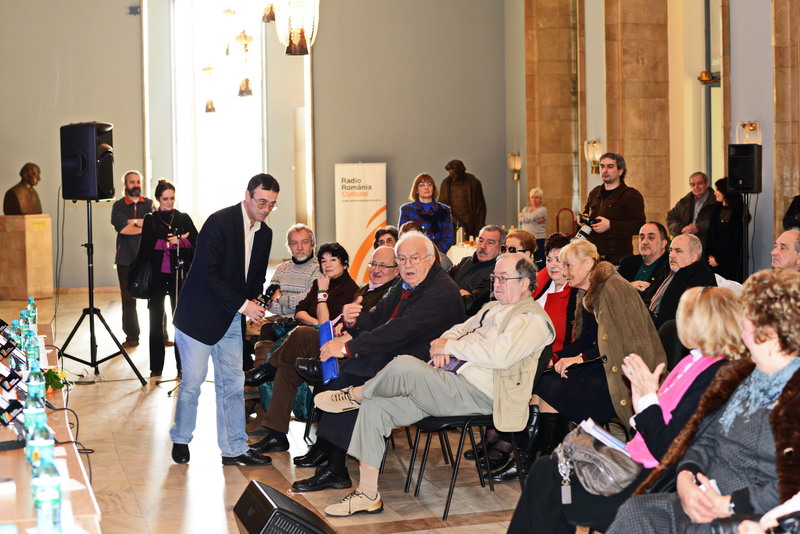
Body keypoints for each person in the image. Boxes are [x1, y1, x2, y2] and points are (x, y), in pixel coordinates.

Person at [313, 253, 555, 517]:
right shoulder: (492, 308)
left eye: (503, 278)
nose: (496, 283)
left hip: (480, 394)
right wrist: (443, 346)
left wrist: (450, 347)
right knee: (377, 406)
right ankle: (367, 495)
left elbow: (499, 355)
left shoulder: (532, 320)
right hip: (449, 383)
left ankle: (356, 395)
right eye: (495, 277)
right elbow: (456, 330)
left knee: (403, 364)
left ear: (524, 283)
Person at [508, 285, 746, 533]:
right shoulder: (698, 362)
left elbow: (669, 448)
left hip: (653, 483)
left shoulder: (715, 377)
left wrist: (647, 400)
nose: (680, 323)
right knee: (550, 470)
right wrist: (643, 398)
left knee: (549, 479)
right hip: (642, 464)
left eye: (684, 315)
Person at [607, 269, 800, 534]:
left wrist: (729, 504)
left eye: (746, 326)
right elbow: (706, 438)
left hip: (750, 514)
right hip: (705, 493)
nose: (742, 336)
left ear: (769, 335)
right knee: (634, 512)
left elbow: (790, 486)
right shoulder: (743, 377)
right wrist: (686, 476)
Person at [288, 232, 465, 493]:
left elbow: (400, 330)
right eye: (401, 259)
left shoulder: (441, 292)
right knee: (342, 373)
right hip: (400, 352)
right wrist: (352, 321)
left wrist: (348, 348)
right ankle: (329, 455)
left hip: (427, 366)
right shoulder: (407, 282)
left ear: (430, 259)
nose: (407, 265)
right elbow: (376, 316)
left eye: (414, 258)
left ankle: (334, 466)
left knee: (347, 373)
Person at [169, 173, 279, 467]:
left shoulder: (265, 233)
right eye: (262, 202)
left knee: (232, 383)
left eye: (272, 204)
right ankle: (181, 438)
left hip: (231, 317)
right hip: (198, 317)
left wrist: (258, 300)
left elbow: (255, 277)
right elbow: (206, 273)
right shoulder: (219, 222)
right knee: (192, 383)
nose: (266, 209)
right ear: (247, 195)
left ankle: (234, 449)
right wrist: (244, 305)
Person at [248, 246, 399, 455]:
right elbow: (302, 311)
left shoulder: (379, 293)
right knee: (287, 369)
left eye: (383, 265)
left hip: (352, 353)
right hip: (333, 343)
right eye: (373, 264)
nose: (376, 269)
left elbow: (331, 323)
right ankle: (277, 435)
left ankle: (265, 371)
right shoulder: (363, 290)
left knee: (301, 333)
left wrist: (324, 302)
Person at [538, 239, 666, 433]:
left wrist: (580, 358)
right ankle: (544, 448)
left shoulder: (614, 288)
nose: (564, 272)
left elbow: (624, 343)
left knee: (551, 385)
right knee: (543, 379)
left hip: (620, 373)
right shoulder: (589, 292)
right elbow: (586, 340)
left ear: (588, 263)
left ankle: (550, 448)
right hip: (602, 364)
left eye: (568, 265)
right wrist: (555, 358)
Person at [129, 179, 197, 378]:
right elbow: (147, 246)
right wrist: (169, 244)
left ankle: (182, 367)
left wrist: (181, 241)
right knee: (155, 322)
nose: (169, 202)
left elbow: (197, 240)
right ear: (158, 199)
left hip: (179, 277)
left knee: (181, 323)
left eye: (172, 198)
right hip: (157, 278)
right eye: (165, 199)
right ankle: (156, 367)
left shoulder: (183, 218)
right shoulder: (151, 219)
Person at [110, 170, 154, 349]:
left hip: (149, 259)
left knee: (155, 299)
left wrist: (133, 221)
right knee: (128, 300)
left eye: (138, 181)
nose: (135, 185)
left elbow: (154, 225)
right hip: (125, 259)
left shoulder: (149, 204)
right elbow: (122, 229)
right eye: (131, 182)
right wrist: (143, 224)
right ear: (125, 185)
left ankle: (162, 335)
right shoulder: (118, 206)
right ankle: (132, 336)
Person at [580, 153, 646, 264]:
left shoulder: (631, 195)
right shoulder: (594, 193)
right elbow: (586, 213)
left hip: (617, 260)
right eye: (602, 166)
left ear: (620, 171)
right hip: (592, 257)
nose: (605, 170)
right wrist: (582, 220)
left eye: (610, 166)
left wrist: (610, 225)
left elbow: (639, 225)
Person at [649, 234, 717, 329]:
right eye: (671, 250)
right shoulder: (667, 269)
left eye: (678, 251)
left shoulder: (702, 277)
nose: (671, 255)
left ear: (693, 257)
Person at [448, 225, 505, 317]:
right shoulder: (465, 261)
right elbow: (440, 283)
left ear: (501, 248)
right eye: (481, 241)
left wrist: (450, 291)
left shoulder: (498, 272)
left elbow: (469, 306)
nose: (483, 246)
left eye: (490, 243)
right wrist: (459, 292)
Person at [266, 224, 321, 318]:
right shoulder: (280, 269)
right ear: (289, 246)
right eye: (294, 243)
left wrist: (280, 298)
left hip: (306, 322)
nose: (299, 247)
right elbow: (269, 304)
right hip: (278, 320)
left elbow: (310, 302)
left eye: (304, 242)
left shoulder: (320, 268)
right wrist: (296, 306)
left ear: (312, 245)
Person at [706, 177, 749, 282]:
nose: (715, 193)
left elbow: (729, 238)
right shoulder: (716, 209)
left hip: (729, 263)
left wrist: (718, 258)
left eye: (718, 190)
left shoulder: (736, 212)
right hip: (713, 259)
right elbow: (712, 234)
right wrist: (710, 255)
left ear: (725, 192)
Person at [618, 222, 671, 306]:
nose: (644, 242)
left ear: (663, 243)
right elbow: (612, 289)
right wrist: (629, 286)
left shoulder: (670, 266)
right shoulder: (627, 262)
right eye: (641, 237)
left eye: (651, 238)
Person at [398, 173, 454, 253]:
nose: (426, 187)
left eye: (429, 184)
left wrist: (434, 253)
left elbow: (448, 238)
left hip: (437, 255)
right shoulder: (407, 209)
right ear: (416, 190)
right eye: (421, 185)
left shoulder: (444, 210)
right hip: (413, 254)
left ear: (433, 188)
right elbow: (403, 236)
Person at [438, 159, 486, 240]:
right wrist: (455, 220)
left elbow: (480, 206)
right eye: (451, 174)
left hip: (470, 221)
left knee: (470, 242)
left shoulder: (474, 183)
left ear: (462, 171)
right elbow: (442, 206)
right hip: (452, 221)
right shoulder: (446, 184)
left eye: (455, 173)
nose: (453, 176)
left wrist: (481, 223)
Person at [666, 172, 718, 243]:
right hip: (686, 243)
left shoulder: (716, 201)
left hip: (708, 243)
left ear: (707, 184)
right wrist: (681, 229)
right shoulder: (684, 202)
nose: (696, 187)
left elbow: (718, 222)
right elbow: (670, 218)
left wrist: (698, 227)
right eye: (693, 185)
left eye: (700, 183)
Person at [519, 187, 547, 266]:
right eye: (532, 197)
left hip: (538, 238)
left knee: (539, 260)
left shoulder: (542, 209)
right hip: (526, 238)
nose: (534, 200)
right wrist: (532, 218)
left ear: (540, 198)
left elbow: (532, 217)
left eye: (536, 197)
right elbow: (521, 219)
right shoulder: (526, 209)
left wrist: (524, 215)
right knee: (527, 260)